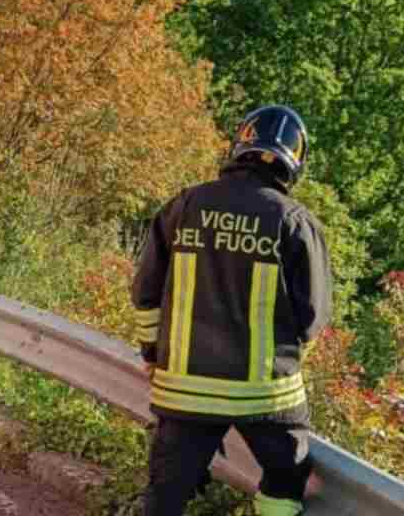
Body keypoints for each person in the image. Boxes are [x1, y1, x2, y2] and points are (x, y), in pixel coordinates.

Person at [132, 105, 333, 516]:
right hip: (265, 396)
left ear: (240, 144)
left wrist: (153, 355)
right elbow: (312, 318)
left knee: (166, 493)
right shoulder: (294, 222)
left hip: (184, 390)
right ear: (295, 161)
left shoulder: (185, 205)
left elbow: (145, 293)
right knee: (287, 473)